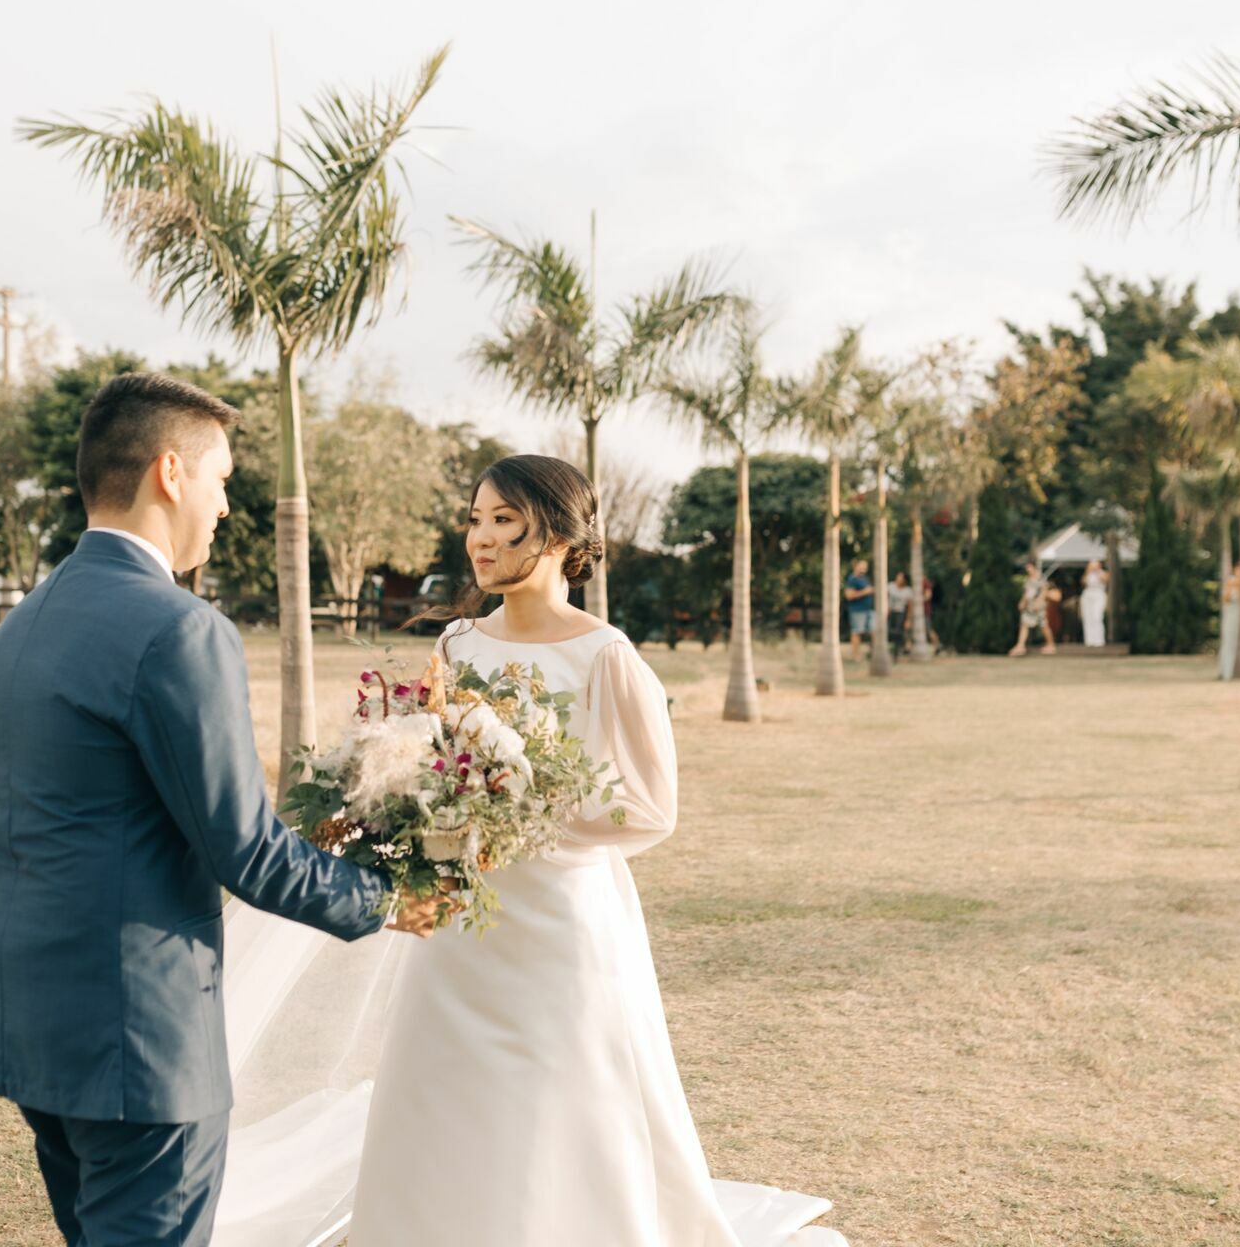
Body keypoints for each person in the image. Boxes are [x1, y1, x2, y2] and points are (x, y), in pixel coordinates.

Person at [213, 456, 848, 1247]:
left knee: (559, 1089)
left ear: (556, 534)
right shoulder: (455, 641)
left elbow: (653, 807)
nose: (480, 539)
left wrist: (516, 818)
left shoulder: (606, 655)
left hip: (561, 922)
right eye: (475, 519)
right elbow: (422, 759)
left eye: (503, 521)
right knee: (441, 1082)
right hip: (457, 919)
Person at [0, 372, 447, 1247]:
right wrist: (387, 900)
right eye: (221, 481)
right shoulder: (179, 628)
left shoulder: (19, 625)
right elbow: (245, 850)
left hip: (30, 1016)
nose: (225, 507)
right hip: (136, 1033)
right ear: (170, 473)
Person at [1008, 562, 1059, 657]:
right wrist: (1022, 602)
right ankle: (1020, 646)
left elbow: (1044, 591)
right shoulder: (1028, 579)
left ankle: (1051, 645)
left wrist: (1038, 602)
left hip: (1038, 606)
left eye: (1029, 567)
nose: (1028, 569)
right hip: (1029, 606)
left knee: (1043, 625)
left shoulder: (1040, 578)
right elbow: (1027, 593)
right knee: (1024, 624)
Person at [1218, 561, 1240, 680]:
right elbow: (1225, 599)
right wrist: (1232, 585)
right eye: (1238, 569)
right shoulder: (1231, 582)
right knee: (1229, 643)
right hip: (1232, 616)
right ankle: (1226, 672)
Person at [842, 558, 873, 662]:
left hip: (869, 609)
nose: (864, 568)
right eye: (862, 566)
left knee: (874, 631)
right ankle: (856, 656)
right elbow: (849, 595)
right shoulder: (852, 579)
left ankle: (873, 654)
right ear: (856, 566)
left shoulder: (865, 579)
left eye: (865, 567)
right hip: (857, 610)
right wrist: (865, 592)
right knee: (857, 632)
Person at [1080, 558, 1109, 648]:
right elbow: (1083, 582)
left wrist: (1097, 571)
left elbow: (1105, 580)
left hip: (1099, 594)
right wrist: (1088, 572)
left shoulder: (1103, 573)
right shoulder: (1088, 574)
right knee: (1088, 618)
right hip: (1088, 595)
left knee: (1097, 617)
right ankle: (1089, 640)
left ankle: (1099, 640)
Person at [887, 571, 915, 657]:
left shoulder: (908, 591)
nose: (898, 579)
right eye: (898, 577)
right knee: (888, 631)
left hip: (901, 613)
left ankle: (897, 652)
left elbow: (910, 606)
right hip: (890, 612)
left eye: (901, 577)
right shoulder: (890, 586)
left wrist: (908, 620)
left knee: (898, 633)